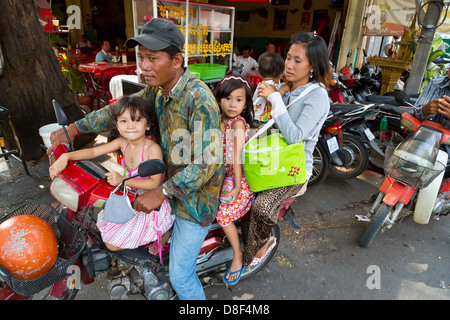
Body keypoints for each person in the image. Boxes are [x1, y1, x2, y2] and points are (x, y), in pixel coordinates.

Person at [48, 18, 224, 300]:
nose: (145, 66)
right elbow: (119, 109)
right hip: (158, 180)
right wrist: (73, 129)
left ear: (177, 60)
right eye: (142, 58)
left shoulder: (199, 100)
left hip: (194, 198)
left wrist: (162, 191)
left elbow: (208, 163)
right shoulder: (158, 91)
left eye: (153, 58)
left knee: (180, 275)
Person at [243, 32, 331, 267]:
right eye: (288, 58)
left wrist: (275, 99)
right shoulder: (285, 87)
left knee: (262, 207)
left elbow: (294, 137)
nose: (289, 65)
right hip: (267, 156)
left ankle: (257, 251)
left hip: (292, 169)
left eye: (297, 61)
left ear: (313, 65)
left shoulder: (318, 96)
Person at [49, 96, 173, 253]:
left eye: (137, 120)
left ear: (147, 125)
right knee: (106, 226)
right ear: (117, 125)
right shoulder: (122, 142)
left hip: (150, 204)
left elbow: (155, 183)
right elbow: (94, 151)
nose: (130, 126)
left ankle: (163, 233)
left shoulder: (151, 149)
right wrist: (66, 156)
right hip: (130, 196)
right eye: (124, 121)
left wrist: (123, 180)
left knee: (112, 244)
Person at [214, 76, 255, 285]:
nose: (232, 104)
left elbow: (237, 160)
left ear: (246, 104)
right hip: (221, 176)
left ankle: (237, 254)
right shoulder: (217, 119)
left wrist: (238, 187)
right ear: (219, 99)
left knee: (223, 215)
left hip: (240, 178)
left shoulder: (237, 124)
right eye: (228, 98)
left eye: (238, 100)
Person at [252, 52, 286, 124]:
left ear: (259, 74)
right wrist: (282, 91)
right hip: (262, 120)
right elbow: (272, 100)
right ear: (281, 74)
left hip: (256, 117)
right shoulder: (270, 85)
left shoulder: (263, 84)